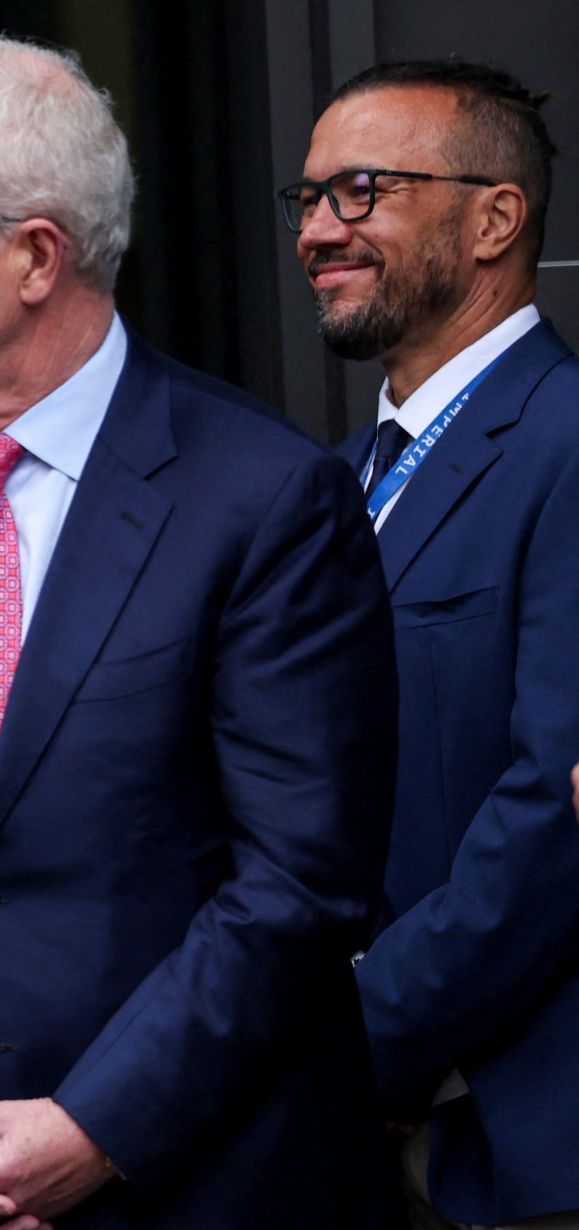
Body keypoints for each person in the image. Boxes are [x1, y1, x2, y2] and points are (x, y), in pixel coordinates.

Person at [0, 37, 400, 1230]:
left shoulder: (260, 497)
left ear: (35, 255)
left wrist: (96, 1127)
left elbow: (300, 882)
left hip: (188, 1179)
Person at [294, 59, 579, 1230]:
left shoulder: (563, 442)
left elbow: (551, 816)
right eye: (307, 200)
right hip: (373, 1153)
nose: (318, 231)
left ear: (493, 218)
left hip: (531, 1146)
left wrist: (348, 1039)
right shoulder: (343, 481)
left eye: (359, 192)